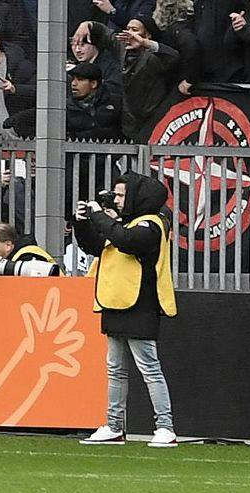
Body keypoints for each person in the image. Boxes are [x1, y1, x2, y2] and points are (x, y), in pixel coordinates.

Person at [75, 170, 179, 447]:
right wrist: (82, 222)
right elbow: (94, 245)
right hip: (115, 302)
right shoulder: (122, 224)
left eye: (122, 195)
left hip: (140, 304)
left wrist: (99, 215)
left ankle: (165, 427)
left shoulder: (152, 224)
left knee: (149, 367)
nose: (117, 200)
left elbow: (127, 242)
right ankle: (114, 426)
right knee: (115, 369)